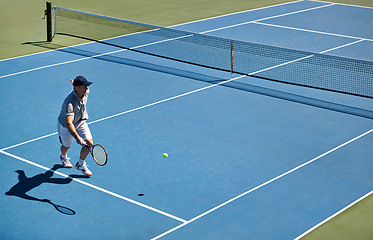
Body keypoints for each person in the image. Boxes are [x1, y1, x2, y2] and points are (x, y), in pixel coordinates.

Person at [57, 76, 93, 176]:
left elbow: (80, 88)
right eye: (84, 86)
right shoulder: (70, 103)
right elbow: (69, 122)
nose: (87, 88)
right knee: (66, 146)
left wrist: (74, 84)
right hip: (66, 125)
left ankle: (80, 164)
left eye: (87, 86)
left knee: (89, 143)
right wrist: (77, 138)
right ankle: (63, 156)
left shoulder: (85, 91)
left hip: (80, 121)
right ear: (77, 88)